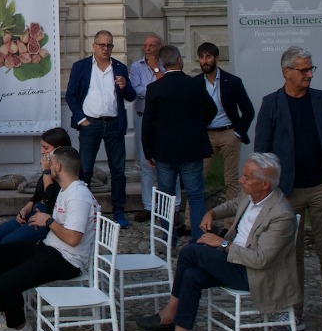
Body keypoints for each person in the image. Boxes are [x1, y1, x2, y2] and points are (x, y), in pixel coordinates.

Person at [137, 153, 300, 331]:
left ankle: (170, 312)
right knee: (192, 275)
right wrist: (211, 213)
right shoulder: (252, 195)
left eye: (247, 177)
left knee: (191, 251)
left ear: (265, 184)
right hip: (235, 261)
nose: (241, 181)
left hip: (254, 274)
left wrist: (222, 243)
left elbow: (260, 260)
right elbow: (233, 204)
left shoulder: (281, 214)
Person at [253, 45, 322, 331]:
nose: (309, 74)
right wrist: (271, 188)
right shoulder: (271, 104)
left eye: (311, 70)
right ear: (287, 72)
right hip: (287, 192)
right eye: (303, 70)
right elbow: (262, 149)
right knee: (289, 255)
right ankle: (293, 311)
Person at [0, 145, 95, 331]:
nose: (47, 165)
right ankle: (7, 313)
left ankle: (18, 325)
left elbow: (73, 239)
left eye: (51, 163)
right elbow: (58, 225)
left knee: (8, 281)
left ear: (59, 168)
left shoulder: (78, 196)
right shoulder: (66, 190)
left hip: (67, 260)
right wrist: (44, 220)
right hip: (51, 246)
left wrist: (48, 221)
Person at [142, 44, 216, 236]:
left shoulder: (154, 88)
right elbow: (212, 109)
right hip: (191, 148)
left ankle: (168, 238)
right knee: (195, 195)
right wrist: (198, 125)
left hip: (164, 150)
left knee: (166, 197)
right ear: (179, 60)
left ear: (162, 64)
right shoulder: (194, 84)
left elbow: (147, 122)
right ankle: (199, 239)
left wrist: (148, 151)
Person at [64, 30, 135, 227]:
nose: (105, 49)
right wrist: (81, 119)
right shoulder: (81, 67)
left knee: (118, 170)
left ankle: (119, 211)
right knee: (85, 169)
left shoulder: (119, 67)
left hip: (113, 124)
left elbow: (130, 96)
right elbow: (71, 95)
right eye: (102, 45)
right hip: (91, 123)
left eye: (109, 45)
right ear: (94, 46)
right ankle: (83, 211)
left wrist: (124, 87)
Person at [0, 128, 72, 253]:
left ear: (59, 150)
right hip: (35, 210)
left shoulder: (67, 170)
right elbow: (38, 195)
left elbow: (51, 198)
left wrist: (47, 172)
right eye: (42, 147)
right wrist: (25, 209)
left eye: (46, 148)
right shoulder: (49, 164)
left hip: (50, 217)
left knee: (7, 243)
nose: (42, 151)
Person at [195, 42, 255, 204]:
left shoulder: (232, 81)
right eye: (201, 57)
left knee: (231, 180)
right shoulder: (196, 83)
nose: (204, 61)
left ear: (216, 58)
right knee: (197, 178)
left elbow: (248, 110)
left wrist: (237, 133)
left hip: (229, 133)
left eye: (208, 56)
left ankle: (231, 224)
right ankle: (190, 222)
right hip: (206, 135)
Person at [127, 33, 165, 222]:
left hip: (164, 119)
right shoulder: (136, 67)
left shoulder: (165, 65)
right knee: (145, 163)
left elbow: (167, 87)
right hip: (143, 119)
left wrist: (156, 69)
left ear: (159, 47)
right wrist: (158, 88)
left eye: (151, 45)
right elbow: (137, 91)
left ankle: (167, 206)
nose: (147, 48)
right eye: (145, 45)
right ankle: (149, 205)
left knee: (165, 162)